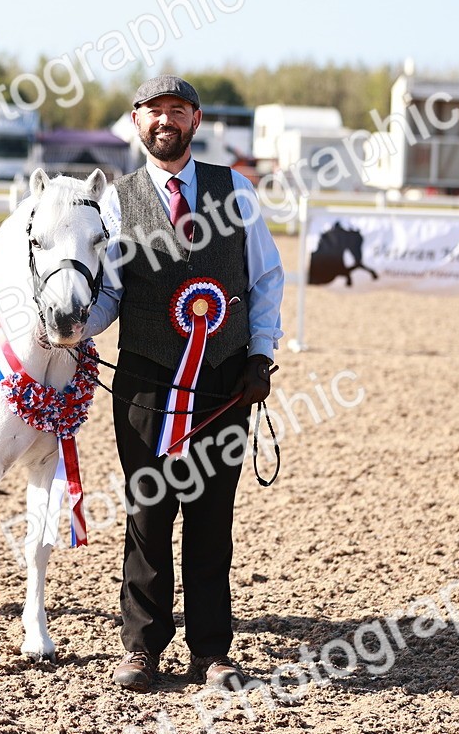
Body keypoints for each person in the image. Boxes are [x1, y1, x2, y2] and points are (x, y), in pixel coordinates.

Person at [84, 75, 284, 692]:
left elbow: (266, 279)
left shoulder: (236, 189)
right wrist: (71, 332)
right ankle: (141, 648)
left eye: (177, 110)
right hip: (145, 378)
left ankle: (212, 652)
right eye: (153, 112)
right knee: (148, 511)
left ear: (196, 120)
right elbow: (111, 292)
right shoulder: (115, 201)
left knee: (210, 515)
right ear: (136, 122)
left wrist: (259, 356)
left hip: (223, 382)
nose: (164, 121)